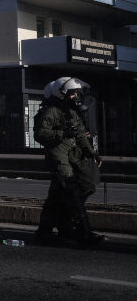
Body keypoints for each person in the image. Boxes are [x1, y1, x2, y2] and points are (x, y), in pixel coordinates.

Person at [33, 77, 104, 248]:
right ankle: (83, 234)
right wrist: (62, 133)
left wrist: (91, 152)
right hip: (59, 158)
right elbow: (40, 134)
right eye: (73, 93)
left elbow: (80, 135)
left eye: (77, 93)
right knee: (70, 192)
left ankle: (49, 230)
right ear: (62, 93)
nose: (76, 97)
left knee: (82, 188)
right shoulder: (51, 112)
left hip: (73, 157)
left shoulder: (72, 112)